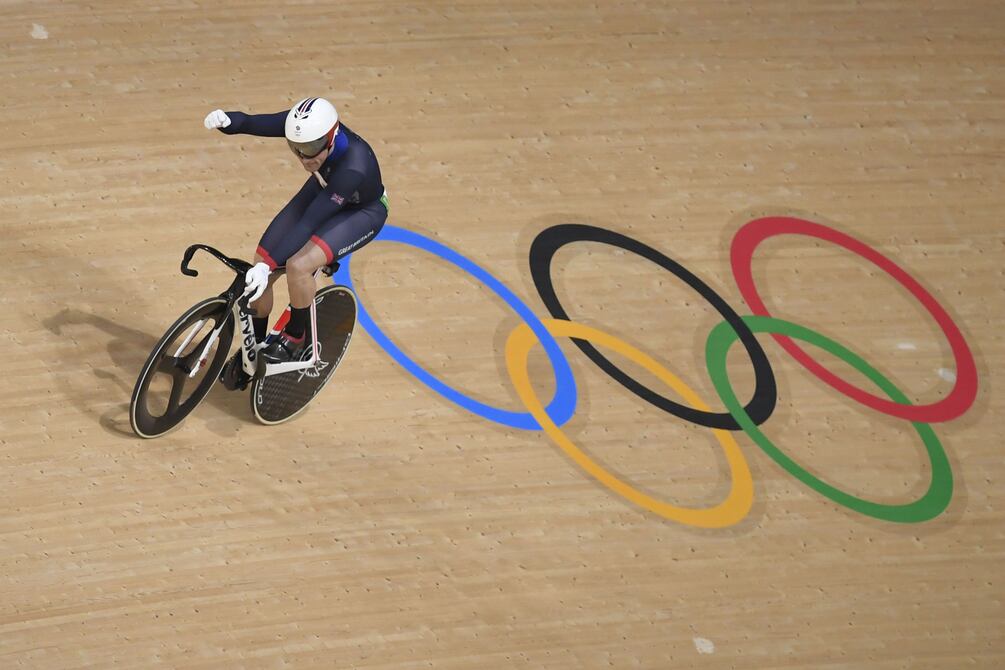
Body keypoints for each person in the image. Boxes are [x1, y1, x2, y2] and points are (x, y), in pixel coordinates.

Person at [203, 97, 388, 364]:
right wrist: (229, 121)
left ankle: (296, 337)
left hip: (361, 211)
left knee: (298, 265)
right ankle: (253, 349)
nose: (303, 157)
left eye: (310, 148)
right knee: (260, 263)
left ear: (331, 137)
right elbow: (254, 123)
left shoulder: (353, 165)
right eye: (296, 148)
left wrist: (268, 266)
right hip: (325, 187)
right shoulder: (307, 130)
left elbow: (310, 222)